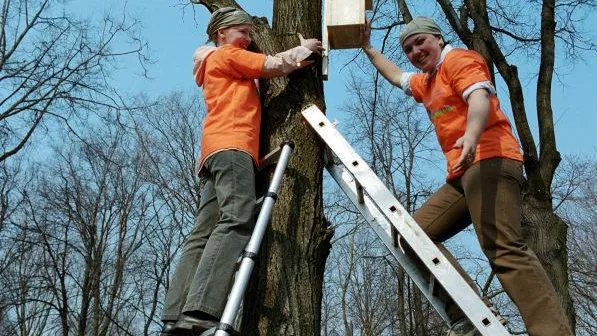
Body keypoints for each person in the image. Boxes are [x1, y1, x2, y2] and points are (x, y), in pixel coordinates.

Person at [361, 16, 572, 336]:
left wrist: (472, 135)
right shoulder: (427, 81)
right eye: (408, 48)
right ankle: (470, 313)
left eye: (421, 42)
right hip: (462, 173)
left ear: (439, 39)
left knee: (503, 247)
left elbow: (478, 97)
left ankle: (552, 332)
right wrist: (367, 47)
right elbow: (397, 77)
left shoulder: (459, 60)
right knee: (412, 236)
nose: (416, 51)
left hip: (490, 159)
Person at [160, 7, 322, 336]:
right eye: (242, 33)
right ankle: (201, 310)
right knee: (237, 218)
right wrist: (305, 49)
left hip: (214, 153)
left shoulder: (215, 63)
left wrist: (297, 60)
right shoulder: (226, 56)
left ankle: (175, 315)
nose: (248, 39)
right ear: (222, 34)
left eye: (249, 33)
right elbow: (270, 65)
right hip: (234, 147)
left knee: (202, 234)